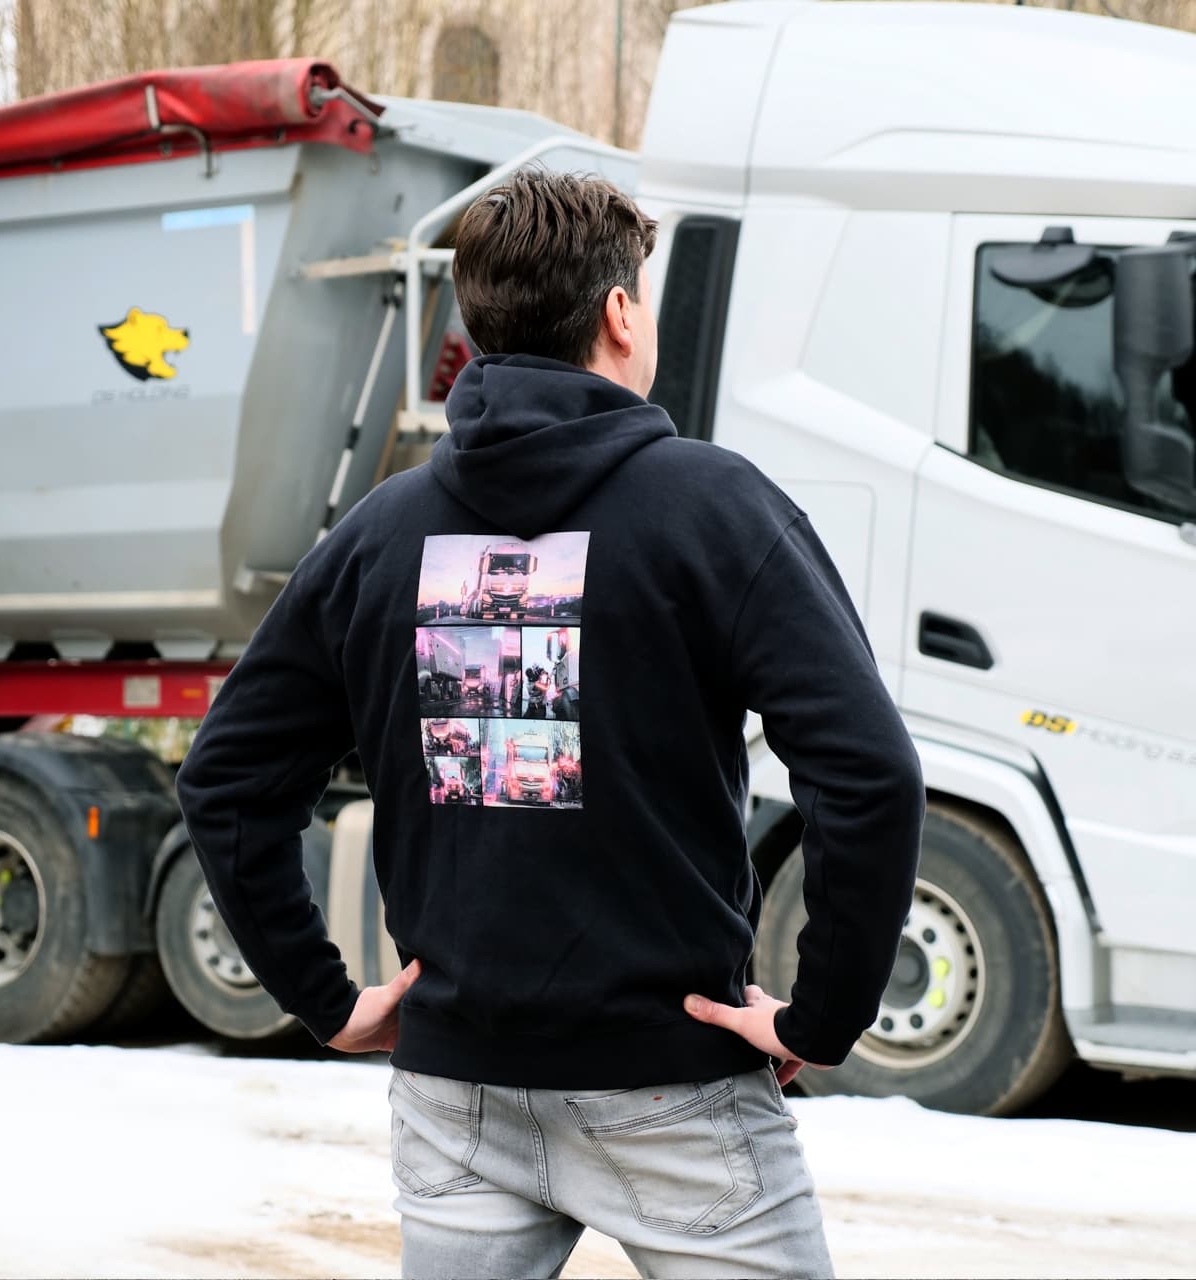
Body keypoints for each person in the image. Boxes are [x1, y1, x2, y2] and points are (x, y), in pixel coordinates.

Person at [176, 169, 924, 1279]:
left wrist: (325, 1001)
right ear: (620, 312)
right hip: (671, 1082)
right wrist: (820, 1018)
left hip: (455, 1088)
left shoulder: (380, 532)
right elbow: (868, 776)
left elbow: (227, 780)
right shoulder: (716, 510)